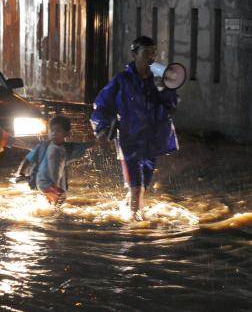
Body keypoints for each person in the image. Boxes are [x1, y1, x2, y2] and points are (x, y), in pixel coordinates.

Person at [90, 35, 179, 220]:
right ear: (134, 54)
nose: (151, 58)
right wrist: (102, 128)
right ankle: (134, 226)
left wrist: (165, 89)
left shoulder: (159, 81)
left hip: (153, 141)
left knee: (143, 185)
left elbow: (172, 106)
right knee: (137, 185)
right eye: (146, 53)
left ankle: (130, 207)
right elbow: (102, 104)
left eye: (153, 53)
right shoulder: (122, 80)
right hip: (130, 140)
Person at [16, 115, 95, 206]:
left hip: (54, 183)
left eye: (58, 131)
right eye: (52, 130)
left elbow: (85, 146)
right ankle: (56, 215)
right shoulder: (42, 146)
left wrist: (100, 140)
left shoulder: (67, 148)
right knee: (61, 196)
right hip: (43, 182)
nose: (54, 133)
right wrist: (20, 173)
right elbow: (28, 158)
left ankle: (51, 212)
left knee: (56, 200)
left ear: (66, 134)